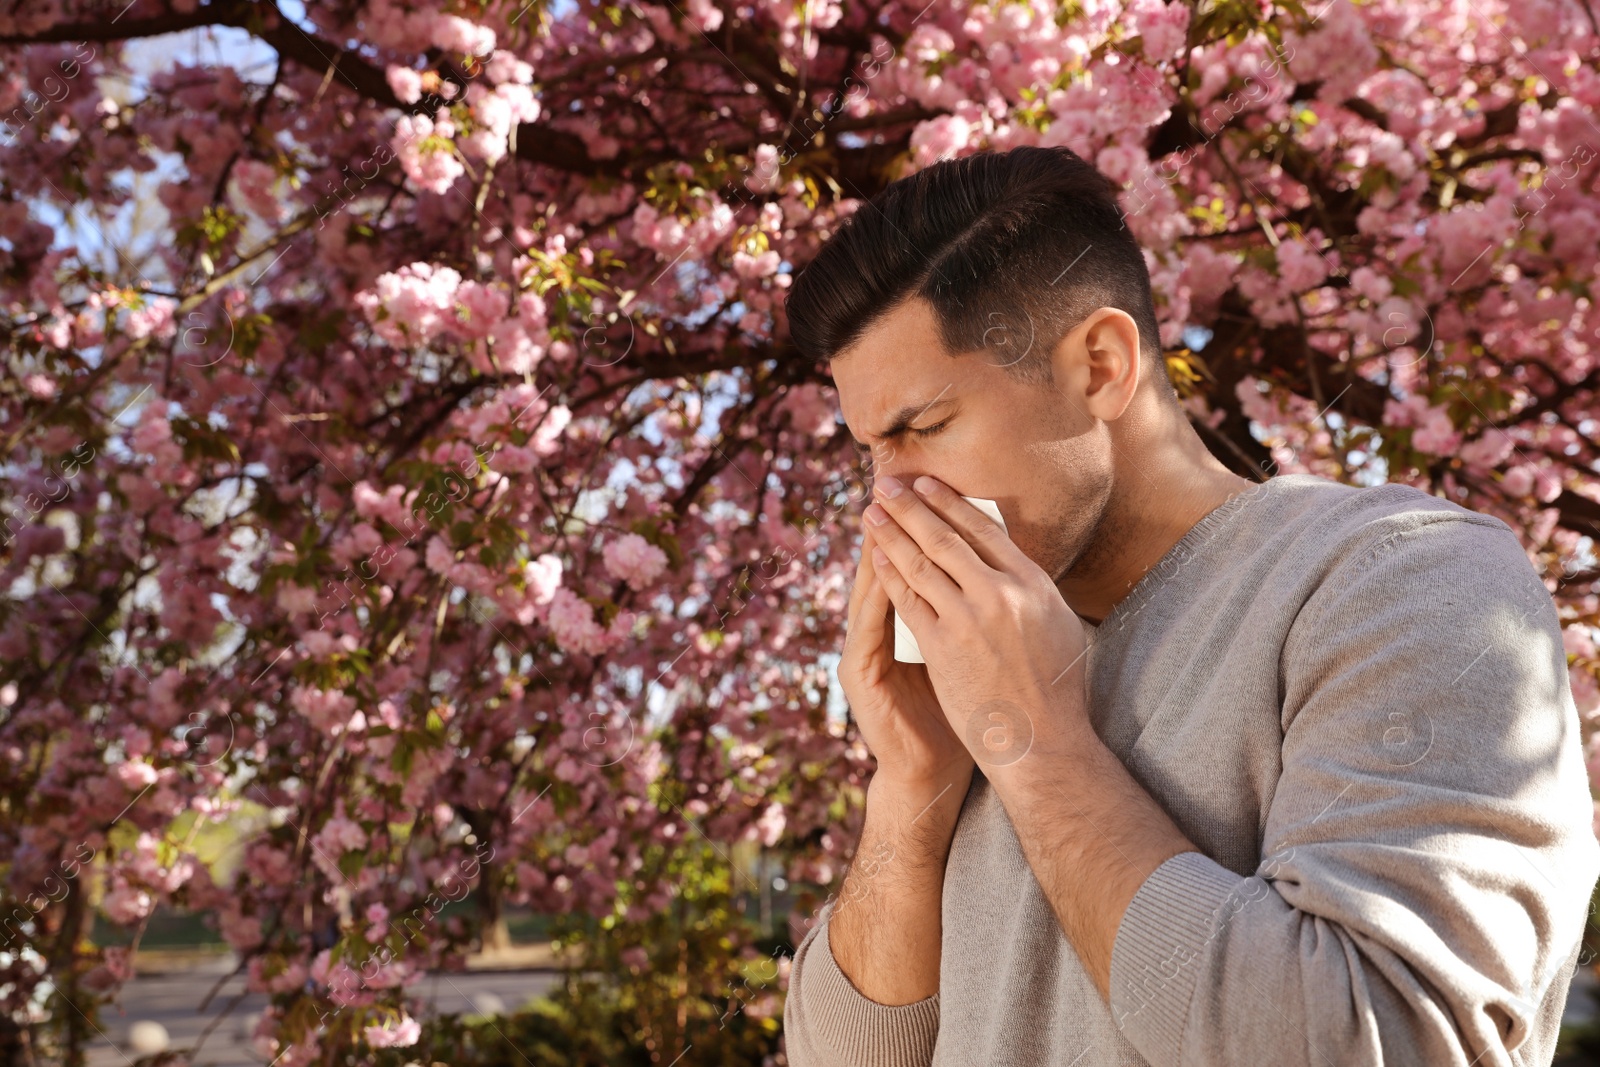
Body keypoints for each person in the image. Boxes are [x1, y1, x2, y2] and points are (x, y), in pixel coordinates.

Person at [777, 144, 1600, 1067]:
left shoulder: (1409, 580)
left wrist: (1039, 749)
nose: (888, 499)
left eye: (923, 430)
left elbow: (1383, 1040)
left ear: (1100, 366)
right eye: (869, 453)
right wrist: (911, 787)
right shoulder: (969, 676)